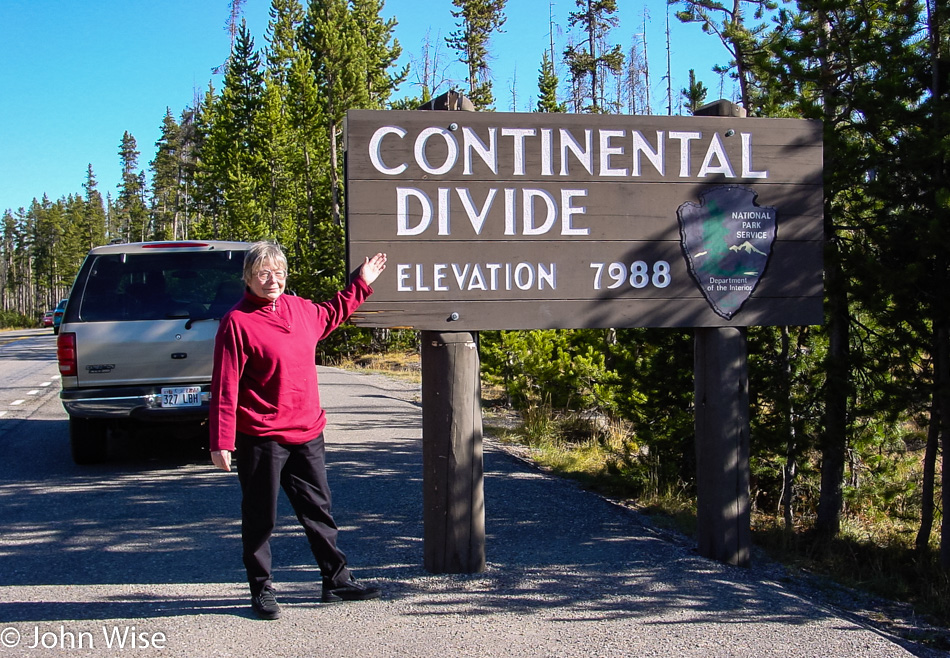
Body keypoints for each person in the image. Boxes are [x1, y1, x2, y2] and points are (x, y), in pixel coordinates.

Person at [209, 241, 387, 620]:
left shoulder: (301, 309)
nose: (272, 280)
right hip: (261, 437)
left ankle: (336, 581)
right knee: (261, 517)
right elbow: (226, 386)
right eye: (263, 273)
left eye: (278, 273)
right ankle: (261, 590)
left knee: (318, 511)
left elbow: (334, 312)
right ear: (248, 278)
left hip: (307, 431)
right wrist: (221, 441)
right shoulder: (237, 322)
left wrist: (362, 283)